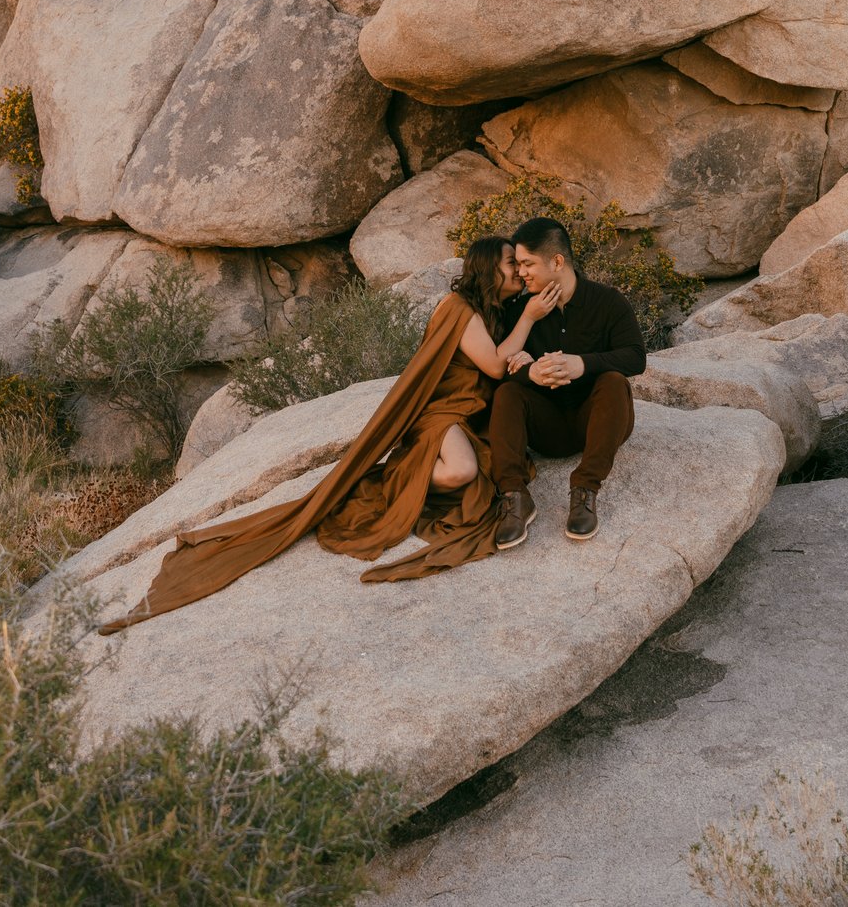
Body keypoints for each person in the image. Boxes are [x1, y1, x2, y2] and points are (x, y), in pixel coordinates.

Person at [98, 236, 544, 631]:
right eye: (510, 263)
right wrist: (529, 321)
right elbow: (491, 364)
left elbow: (502, 364)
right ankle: (400, 482)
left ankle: (407, 482)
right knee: (464, 472)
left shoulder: (495, 313)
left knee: (480, 473)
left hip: (469, 416)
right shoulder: (459, 309)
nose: (518, 271)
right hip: (439, 415)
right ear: (488, 267)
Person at [488, 216, 644, 547]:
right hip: (549, 428)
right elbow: (501, 369)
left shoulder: (607, 302)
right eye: (517, 264)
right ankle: (515, 497)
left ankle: (585, 491)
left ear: (557, 261)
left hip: (599, 422)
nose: (521, 272)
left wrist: (581, 364)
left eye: (527, 263)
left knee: (615, 382)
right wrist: (530, 372)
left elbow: (635, 357)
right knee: (507, 393)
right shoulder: (520, 310)